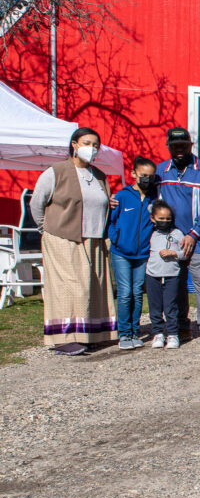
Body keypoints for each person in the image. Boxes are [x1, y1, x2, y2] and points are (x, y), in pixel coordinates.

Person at [29, 127, 117, 355]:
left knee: (92, 287)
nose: (93, 149)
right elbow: (37, 203)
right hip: (63, 238)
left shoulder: (99, 176)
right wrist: (45, 229)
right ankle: (63, 337)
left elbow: (99, 203)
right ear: (75, 145)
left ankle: (89, 333)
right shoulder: (56, 172)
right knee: (70, 287)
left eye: (96, 145)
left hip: (94, 238)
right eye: (87, 143)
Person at [155, 127, 200, 346]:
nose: (179, 150)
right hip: (171, 237)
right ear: (168, 147)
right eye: (175, 146)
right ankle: (180, 327)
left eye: (183, 145)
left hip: (199, 238)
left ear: (191, 145)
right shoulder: (161, 171)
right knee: (176, 283)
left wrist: (194, 233)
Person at [107, 156, 157, 350]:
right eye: (143, 175)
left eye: (150, 176)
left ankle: (135, 331)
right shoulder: (121, 196)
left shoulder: (154, 198)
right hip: (121, 253)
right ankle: (124, 334)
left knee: (137, 292)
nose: (147, 179)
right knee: (125, 293)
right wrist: (115, 238)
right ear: (134, 174)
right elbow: (111, 221)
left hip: (143, 254)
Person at [145, 200, 186, 349]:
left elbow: (185, 254)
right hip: (153, 275)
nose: (164, 222)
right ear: (153, 219)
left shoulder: (177, 233)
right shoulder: (151, 234)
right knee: (155, 306)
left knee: (171, 306)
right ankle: (158, 334)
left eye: (167, 219)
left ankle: (173, 334)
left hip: (172, 275)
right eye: (161, 219)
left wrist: (175, 253)